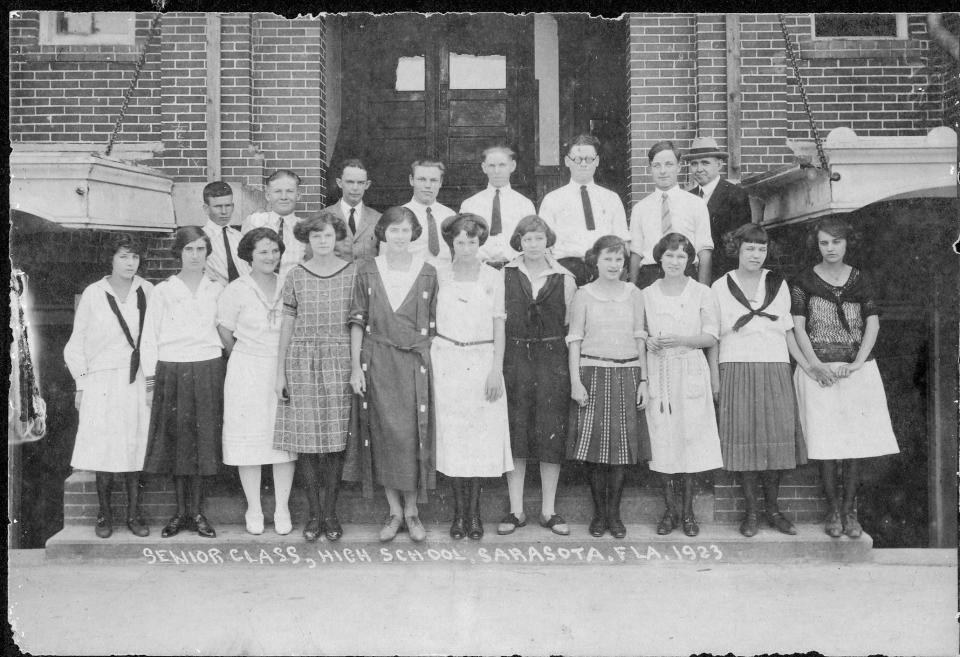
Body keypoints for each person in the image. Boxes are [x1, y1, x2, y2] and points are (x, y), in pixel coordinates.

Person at [790, 217, 899, 538]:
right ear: (817, 245)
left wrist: (857, 363)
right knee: (826, 443)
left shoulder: (861, 280)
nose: (830, 248)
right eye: (824, 243)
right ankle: (833, 511)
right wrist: (814, 365)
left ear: (847, 243)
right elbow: (798, 326)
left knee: (854, 443)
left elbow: (873, 324)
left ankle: (851, 512)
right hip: (818, 373)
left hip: (856, 372)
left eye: (836, 242)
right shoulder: (803, 281)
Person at [711, 223, 810, 538]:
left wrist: (806, 365)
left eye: (761, 248)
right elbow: (713, 337)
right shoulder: (719, 285)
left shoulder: (778, 283)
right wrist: (715, 376)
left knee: (775, 441)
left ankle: (773, 510)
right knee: (745, 442)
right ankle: (751, 513)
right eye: (750, 248)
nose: (756, 254)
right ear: (737, 250)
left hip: (774, 366)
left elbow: (788, 331)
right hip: (736, 367)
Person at [349, 206, 439, 543]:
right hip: (378, 361)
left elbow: (436, 324)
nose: (399, 236)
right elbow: (357, 321)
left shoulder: (428, 271)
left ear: (414, 234)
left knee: (412, 435)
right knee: (385, 433)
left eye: (406, 230)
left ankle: (413, 511)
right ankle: (394, 511)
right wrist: (356, 366)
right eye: (394, 230)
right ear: (383, 233)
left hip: (415, 362)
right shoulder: (368, 270)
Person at [64, 234, 154, 538]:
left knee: (134, 446)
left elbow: (154, 339)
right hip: (102, 380)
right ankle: (104, 514)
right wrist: (81, 384)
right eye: (123, 257)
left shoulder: (148, 291)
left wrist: (152, 379)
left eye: (134, 258)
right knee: (105, 447)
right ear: (111, 259)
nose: (130, 263)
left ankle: (134, 514)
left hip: (137, 378)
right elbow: (76, 344)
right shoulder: (94, 293)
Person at [274, 213, 357, 542]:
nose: (322, 241)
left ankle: (331, 513)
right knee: (307, 444)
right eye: (315, 236)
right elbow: (287, 324)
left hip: (340, 357)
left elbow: (357, 323)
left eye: (328, 235)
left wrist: (355, 364)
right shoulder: (295, 275)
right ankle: (314, 514)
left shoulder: (352, 273)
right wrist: (280, 370)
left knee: (335, 442)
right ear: (307, 240)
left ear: (337, 237)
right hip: (302, 360)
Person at [141, 226, 225, 539]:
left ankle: (198, 513)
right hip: (172, 369)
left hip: (207, 367)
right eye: (188, 249)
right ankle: (180, 513)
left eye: (200, 249)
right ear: (179, 252)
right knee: (178, 443)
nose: (194, 256)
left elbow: (225, 330)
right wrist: (151, 380)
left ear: (207, 253)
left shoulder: (217, 289)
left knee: (203, 441)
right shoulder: (163, 290)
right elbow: (149, 336)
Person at [432, 214, 512, 540]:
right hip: (448, 360)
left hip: (482, 361)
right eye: (460, 241)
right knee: (453, 440)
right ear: (451, 242)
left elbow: (499, 324)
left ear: (481, 243)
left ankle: (475, 513)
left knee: (478, 441)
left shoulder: (493, 276)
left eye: (473, 241)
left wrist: (496, 369)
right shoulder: (438, 275)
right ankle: (457, 513)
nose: (466, 247)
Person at [498, 215, 576, 537]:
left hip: (552, 360)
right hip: (515, 358)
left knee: (549, 432)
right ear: (519, 241)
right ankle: (516, 510)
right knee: (516, 433)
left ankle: (548, 510)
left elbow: (572, 325)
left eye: (539, 239)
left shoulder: (565, 278)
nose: (533, 245)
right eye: (527, 239)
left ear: (548, 242)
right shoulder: (504, 275)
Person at [642, 233, 723, 537]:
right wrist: (650, 340)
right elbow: (642, 332)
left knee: (690, 440)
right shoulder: (647, 293)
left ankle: (688, 512)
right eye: (669, 255)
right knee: (663, 440)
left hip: (690, 366)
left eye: (681, 256)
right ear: (659, 259)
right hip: (660, 369)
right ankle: (669, 511)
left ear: (690, 260)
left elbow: (712, 336)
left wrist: (683, 340)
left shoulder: (702, 292)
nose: (675, 261)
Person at [217, 227, 297, 536]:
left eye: (275, 251)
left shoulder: (288, 283)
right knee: (248, 437)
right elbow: (225, 331)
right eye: (263, 251)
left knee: (282, 440)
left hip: (281, 367)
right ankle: (254, 507)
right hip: (247, 368)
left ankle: (282, 508)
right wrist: (244, 354)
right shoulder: (236, 289)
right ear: (250, 254)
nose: (270, 257)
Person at [567, 235, 648, 539]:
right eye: (608, 259)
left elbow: (640, 336)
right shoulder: (583, 294)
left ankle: (615, 515)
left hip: (627, 373)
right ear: (595, 261)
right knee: (594, 450)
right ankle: (599, 514)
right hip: (592, 373)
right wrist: (576, 381)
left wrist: (644, 379)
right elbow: (574, 340)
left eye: (619, 259)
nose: (614, 265)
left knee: (621, 451)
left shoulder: (634, 293)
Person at [538, 134, 629, 286]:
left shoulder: (611, 198)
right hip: (565, 270)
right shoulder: (552, 199)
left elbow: (622, 241)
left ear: (597, 161)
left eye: (589, 159)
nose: (583, 164)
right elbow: (544, 245)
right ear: (567, 161)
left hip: (604, 269)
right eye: (578, 159)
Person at [629, 141, 713, 288]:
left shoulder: (696, 204)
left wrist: (703, 292)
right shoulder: (640, 208)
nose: (663, 171)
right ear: (650, 169)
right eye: (657, 165)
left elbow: (704, 251)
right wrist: (632, 291)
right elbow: (636, 253)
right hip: (650, 276)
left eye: (669, 164)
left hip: (686, 274)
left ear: (679, 167)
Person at [681, 137, 752, 282]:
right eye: (694, 164)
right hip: (689, 276)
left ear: (719, 164)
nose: (699, 169)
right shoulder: (686, 198)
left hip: (721, 274)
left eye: (705, 163)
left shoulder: (735, 195)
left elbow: (738, 245)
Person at [459, 145, 536, 267]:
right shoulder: (470, 205)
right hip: (479, 268)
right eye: (491, 166)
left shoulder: (525, 205)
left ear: (512, 166)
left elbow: (532, 242)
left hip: (514, 268)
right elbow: (463, 242)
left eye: (502, 165)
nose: (497, 171)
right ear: (484, 168)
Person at [243, 169, 306, 282]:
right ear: (268, 195)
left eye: (290, 191)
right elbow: (243, 263)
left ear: (298, 195)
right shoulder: (254, 222)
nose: (283, 197)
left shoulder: (306, 228)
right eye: (277, 191)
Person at [326, 159, 382, 261]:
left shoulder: (378, 219)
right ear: (339, 183)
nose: (355, 188)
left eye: (360, 183)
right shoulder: (324, 216)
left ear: (367, 185)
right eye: (350, 182)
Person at [402, 159, 456, 266]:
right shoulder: (399, 215)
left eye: (433, 180)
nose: (428, 185)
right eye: (422, 179)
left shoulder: (450, 215)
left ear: (440, 182)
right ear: (411, 180)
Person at [200, 181, 250, 286]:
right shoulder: (200, 239)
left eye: (228, 205)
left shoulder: (239, 237)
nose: (224, 211)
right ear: (206, 208)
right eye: (218, 206)